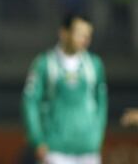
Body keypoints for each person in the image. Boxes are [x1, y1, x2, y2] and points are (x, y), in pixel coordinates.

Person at [21, 13, 108, 164]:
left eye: (88, 35)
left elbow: (101, 104)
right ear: (64, 33)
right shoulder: (44, 64)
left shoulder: (94, 65)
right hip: (55, 149)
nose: (85, 39)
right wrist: (37, 139)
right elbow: (30, 102)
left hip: (87, 149)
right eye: (80, 34)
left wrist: (97, 137)